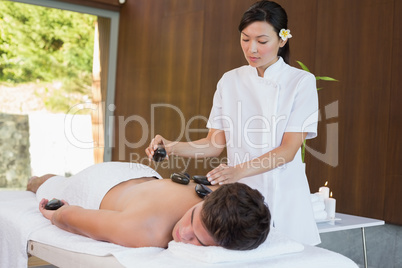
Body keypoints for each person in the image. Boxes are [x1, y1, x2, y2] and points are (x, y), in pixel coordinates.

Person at [146, 0, 320, 245]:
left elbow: (287, 150)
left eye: (262, 41)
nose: (252, 49)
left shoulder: (301, 82)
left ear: (282, 40)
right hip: (242, 203)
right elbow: (213, 144)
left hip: (285, 197)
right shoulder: (230, 81)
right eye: (245, 39)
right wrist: (172, 146)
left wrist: (237, 170)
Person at [28, 162, 270, 250]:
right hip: (98, 184)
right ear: (206, 199)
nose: (183, 234)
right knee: (48, 183)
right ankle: (36, 180)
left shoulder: (228, 197)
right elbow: (71, 217)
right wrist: (55, 213)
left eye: (199, 240)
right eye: (192, 219)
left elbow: (252, 214)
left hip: (142, 175)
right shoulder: (145, 230)